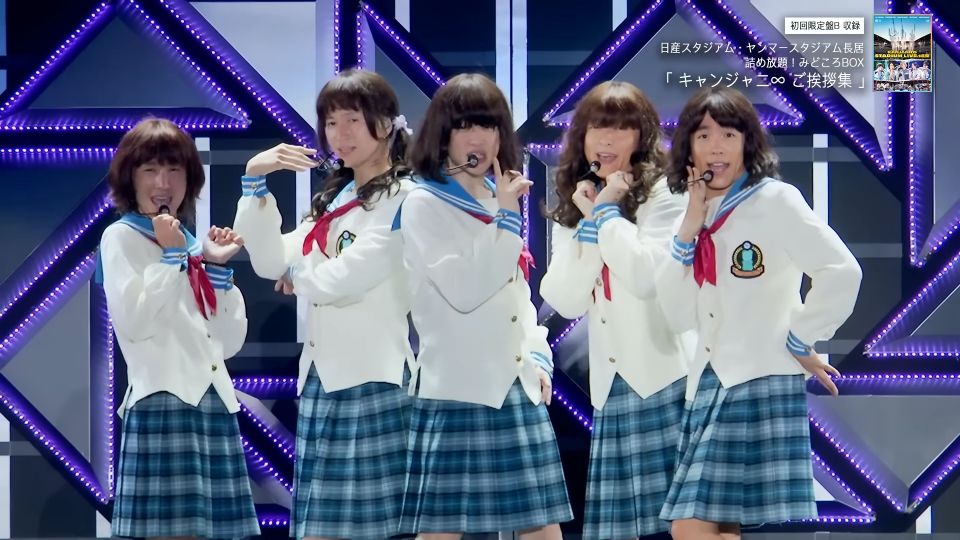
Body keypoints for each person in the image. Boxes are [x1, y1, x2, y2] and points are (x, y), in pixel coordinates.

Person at [655, 88, 862, 540]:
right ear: (688, 147)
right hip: (709, 380)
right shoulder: (692, 214)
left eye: (728, 135)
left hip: (757, 377)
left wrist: (800, 337)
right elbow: (677, 316)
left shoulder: (775, 200)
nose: (716, 147)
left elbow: (842, 270)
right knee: (719, 526)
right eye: (704, 136)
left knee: (689, 528)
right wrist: (688, 229)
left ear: (747, 143)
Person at [233, 69, 416, 540]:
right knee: (320, 528)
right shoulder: (335, 199)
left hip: (374, 379)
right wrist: (254, 181)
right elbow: (270, 262)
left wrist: (302, 275)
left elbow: (350, 276)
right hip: (321, 378)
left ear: (385, 124)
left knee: (376, 529)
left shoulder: (406, 197)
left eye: (352, 119)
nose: (340, 134)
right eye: (331, 122)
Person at [540, 81, 690, 539]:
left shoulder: (667, 194)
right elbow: (564, 297)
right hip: (612, 387)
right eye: (597, 127)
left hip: (667, 378)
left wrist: (605, 216)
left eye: (621, 128)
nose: (606, 139)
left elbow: (645, 276)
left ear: (641, 137)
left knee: (681, 527)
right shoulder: (579, 200)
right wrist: (590, 218)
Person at [99, 117, 258, 539]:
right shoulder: (121, 238)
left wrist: (217, 271)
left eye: (174, 170)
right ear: (130, 178)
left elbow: (227, 342)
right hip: (163, 402)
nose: (163, 183)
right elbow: (134, 322)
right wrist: (171, 261)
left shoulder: (191, 243)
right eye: (150, 169)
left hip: (213, 403)